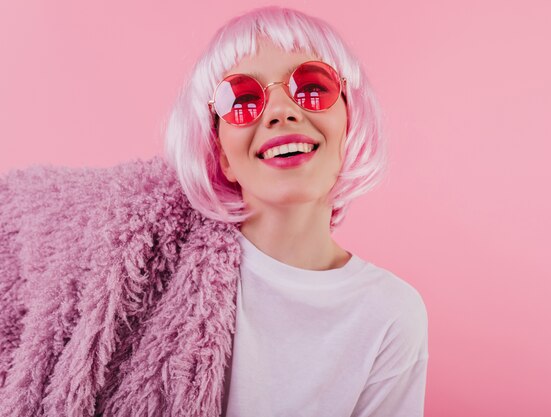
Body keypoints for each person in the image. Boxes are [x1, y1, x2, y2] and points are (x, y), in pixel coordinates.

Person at [0, 6, 428, 417]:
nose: (281, 111)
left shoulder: (390, 313)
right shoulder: (147, 264)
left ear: (351, 123)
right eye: (242, 99)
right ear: (220, 152)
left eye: (314, 88)